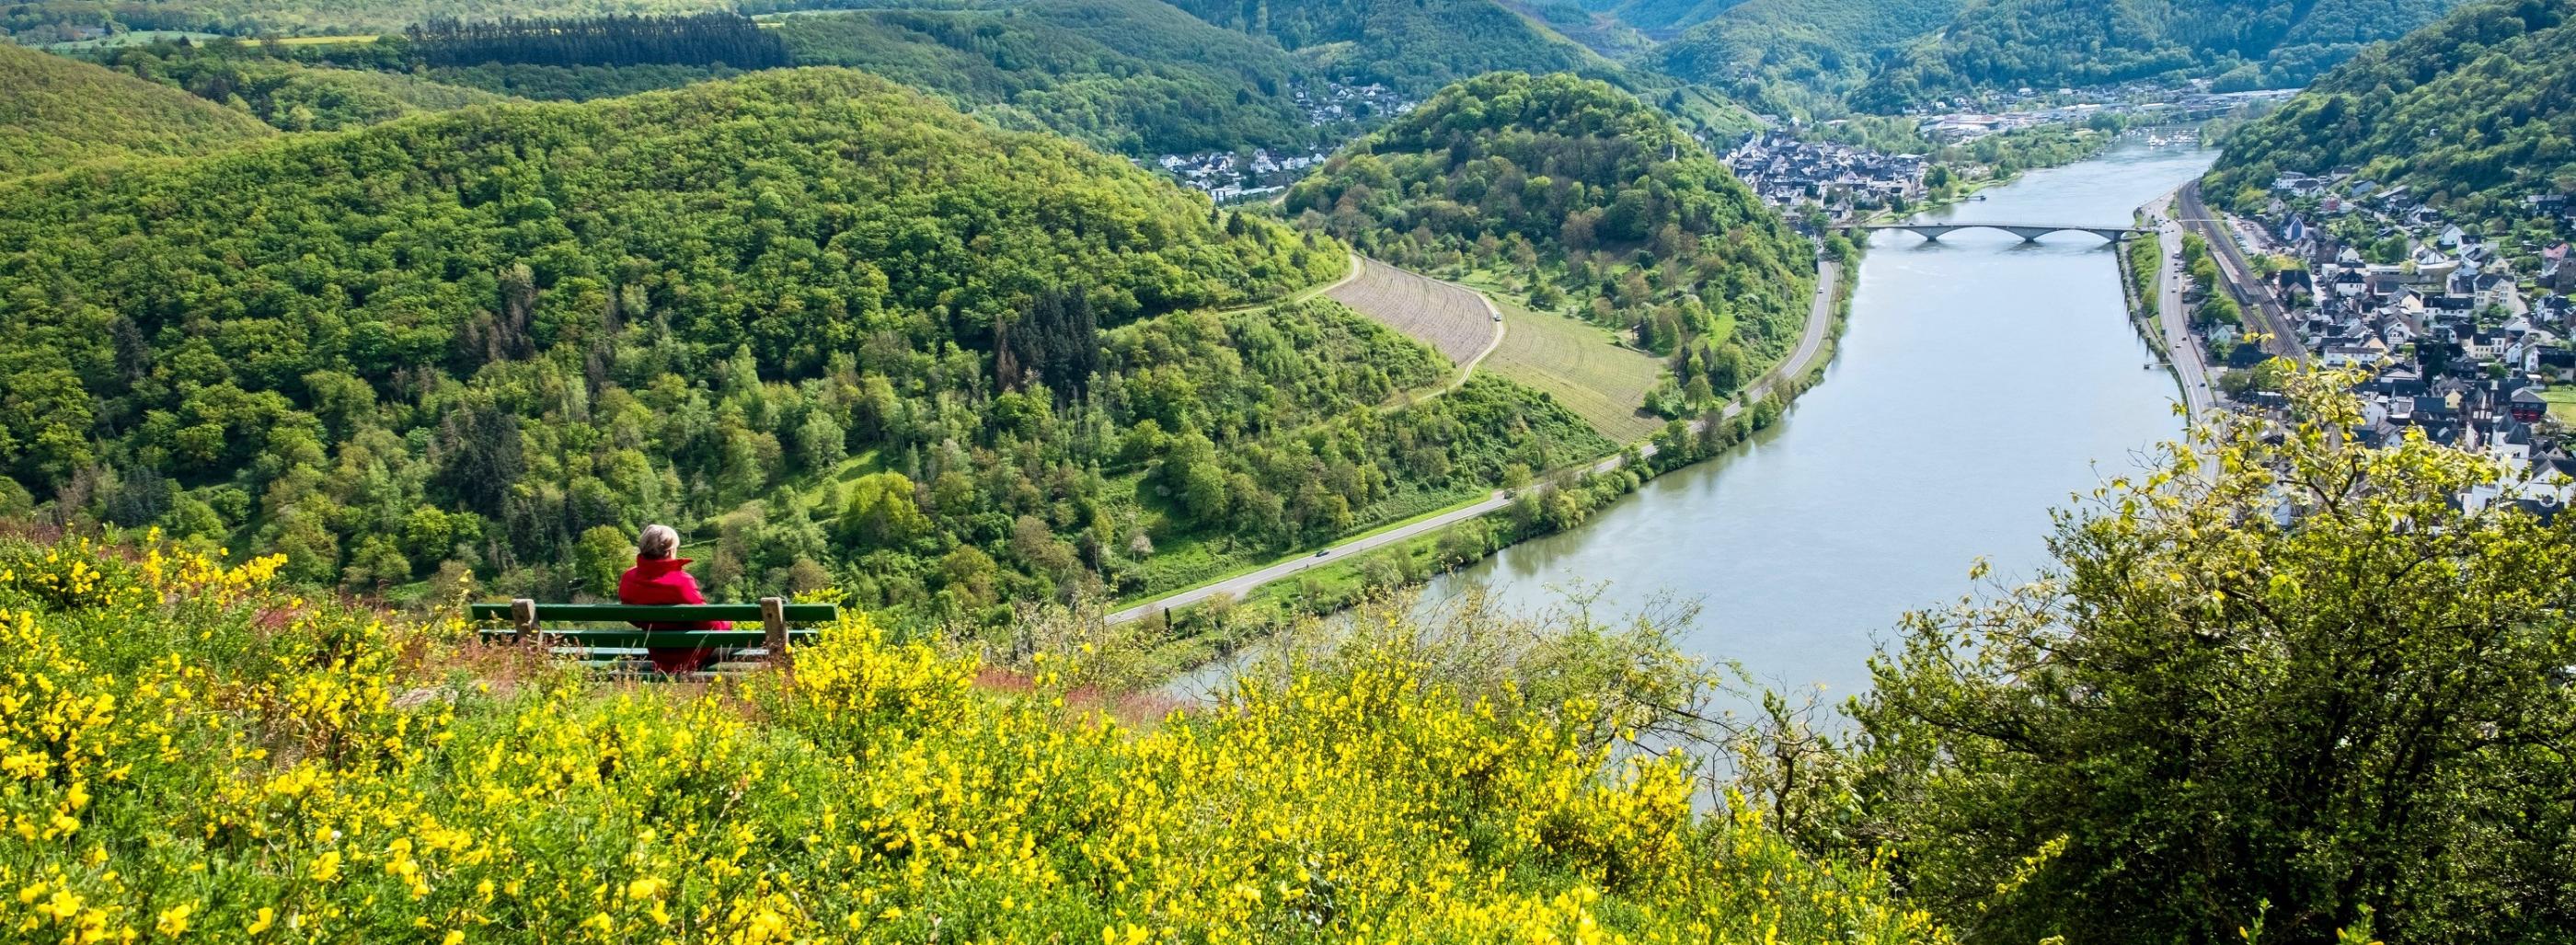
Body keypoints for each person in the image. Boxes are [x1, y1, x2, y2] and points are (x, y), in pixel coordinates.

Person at [616, 524, 731, 674]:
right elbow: (711, 625)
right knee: (740, 642)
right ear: (670, 551)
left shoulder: (628, 578)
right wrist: (727, 623)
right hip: (690, 655)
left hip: (658, 653)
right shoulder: (682, 582)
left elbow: (633, 618)